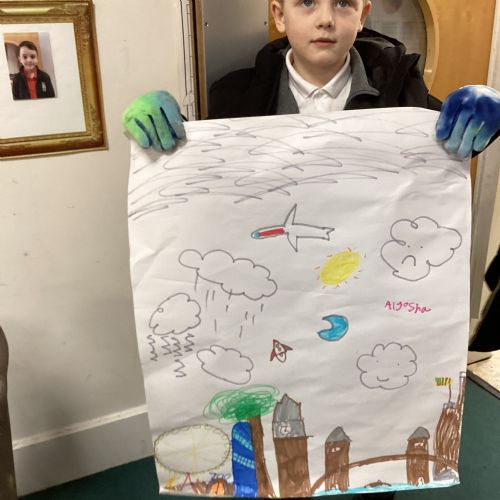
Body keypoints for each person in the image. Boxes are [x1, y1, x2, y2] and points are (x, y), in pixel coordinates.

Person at [122, 1, 500, 498]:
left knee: (367, 433)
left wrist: (487, 111)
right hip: (278, 302)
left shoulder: (404, 94)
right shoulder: (234, 95)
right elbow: (209, 198)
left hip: (370, 304)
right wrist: (159, 144)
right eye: (306, 2)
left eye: (343, 3)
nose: (325, 18)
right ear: (279, 15)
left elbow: (450, 151)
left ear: (363, 14)